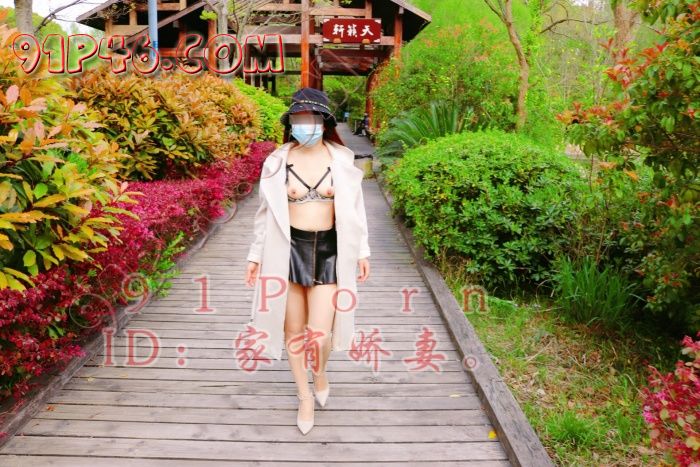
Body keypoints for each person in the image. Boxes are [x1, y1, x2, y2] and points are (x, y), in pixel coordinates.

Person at [244, 88, 371, 435]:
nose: (304, 124)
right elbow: (264, 214)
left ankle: (321, 372)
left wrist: (362, 251)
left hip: (329, 250)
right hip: (288, 251)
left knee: (319, 335)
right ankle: (304, 396)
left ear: (323, 121)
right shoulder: (277, 161)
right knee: (293, 332)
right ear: (291, 123)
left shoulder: (341, 160)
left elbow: (356, 211)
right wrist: (255, 256)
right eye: (298, 118)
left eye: (310, 118)